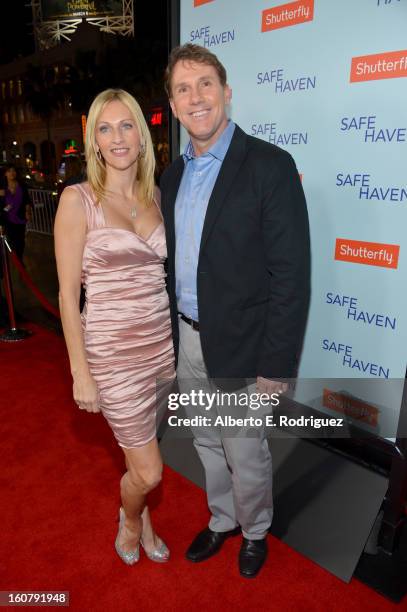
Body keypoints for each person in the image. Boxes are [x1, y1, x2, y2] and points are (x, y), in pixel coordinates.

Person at [161, 44, 310, 578]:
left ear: (226, 92)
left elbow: (291, 277)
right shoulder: (171, 177)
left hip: (246, 347)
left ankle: (254, 531)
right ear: (174, 106)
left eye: (205, 84)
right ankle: (221, 520)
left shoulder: (270, 166)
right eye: (183, 88)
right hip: (188, 341)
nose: (195, 97)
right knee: (204, 441)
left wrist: (277, 363)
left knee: (245, 452)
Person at [54, 88, 175, 566]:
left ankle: (143, 517)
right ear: (94, 142)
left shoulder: (156, 196)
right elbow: (67, 296)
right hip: (112, 356)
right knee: (150, 473)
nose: (117, 137)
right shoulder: (76, 200)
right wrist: (80, 371)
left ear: (142, 138)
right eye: (105, 128)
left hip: (160, 351)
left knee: (137, 450)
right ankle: (129, 521)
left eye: (127, 126)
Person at [1, 164, 31, 261]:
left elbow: (27, 200)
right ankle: (16, 259)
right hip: (8, 219)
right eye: (9, 171)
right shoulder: (2, 187)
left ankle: (19, 259)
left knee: (21, 241)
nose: (12, 173)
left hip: (21, 218)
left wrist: (27, 211)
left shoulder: (22, 185)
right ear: (5, 174)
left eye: (13, 171)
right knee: (12, 241)